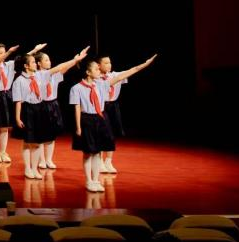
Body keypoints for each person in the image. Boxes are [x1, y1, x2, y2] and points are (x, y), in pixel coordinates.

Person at [71, 55, 156, 192]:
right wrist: (78, 127)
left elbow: (126, 74)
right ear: (88, 72)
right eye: (96, 69)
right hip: (87, 120)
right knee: (88, 153)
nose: (99, 71)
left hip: (100, 118)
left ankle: (96, 180)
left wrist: (144, 65)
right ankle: (89, 181)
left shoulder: (102, 84)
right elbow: (77, 107)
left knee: (97, 152)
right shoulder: (76, 88)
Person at [14, 46, 90, 180]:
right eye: (33, 62)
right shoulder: (19, 80)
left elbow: (60, 68)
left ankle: (35, 168)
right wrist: (17, 117)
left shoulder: (40, 75)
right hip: (27, 110)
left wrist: (75, 60)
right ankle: (28, 168)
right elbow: (18, 101)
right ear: (26, 66)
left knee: (38, 142)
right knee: (27, 142)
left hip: (39, 109)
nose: (35, 64)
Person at [0, 41, 45, 164]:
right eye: (0, 53)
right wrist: (9, 52)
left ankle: (3, 151)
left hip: (7, 95)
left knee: (5, 127)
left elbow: (24, 59)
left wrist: (35, 50)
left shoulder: (9, 65)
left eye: (4, 52)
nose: (3, 55)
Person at [98, 55, 127, 173]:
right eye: (105, 63)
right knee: (101, 133)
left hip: (113, 106)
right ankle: (99, 161)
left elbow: (131, 71)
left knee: (112, 134)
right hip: (102, 106)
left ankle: (108, 161)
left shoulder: (115, 75)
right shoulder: (96, 78)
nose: (109, 65)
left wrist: (144, 65)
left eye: (109, 62)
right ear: (99, 65)